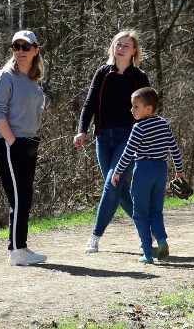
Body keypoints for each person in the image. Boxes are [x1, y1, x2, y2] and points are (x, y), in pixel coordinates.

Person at [73, 30, 150, 253]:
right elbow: (89, 104)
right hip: (103, 138)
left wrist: (144, 135)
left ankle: (95, 236)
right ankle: (147, 229)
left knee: (112, 183)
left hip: (128, 137)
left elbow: (148, 109)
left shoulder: (139, 77)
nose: (121, 48)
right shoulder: (103, 73)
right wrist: (82, 130)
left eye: (126, 45)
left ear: (134, 51)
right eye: (118, 44)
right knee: (119, 190)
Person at [0, 30, 48, 266]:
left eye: (25, 47)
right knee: (18, 196)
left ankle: (20, 247)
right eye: (16, 47)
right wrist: (13, 143)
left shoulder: (34, 80)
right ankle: (16, 250)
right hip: (8, 143)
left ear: (35, 50)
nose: (20, 51)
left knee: (25, 196)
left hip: (28, 142)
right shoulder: (5, 77)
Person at [111, 87, 185, 264]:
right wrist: (179, 170)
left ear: (149, 108)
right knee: (156, 211)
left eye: (136, 106)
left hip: (143, 170)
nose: (132, 110)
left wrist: (117, 171)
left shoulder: (139, 127)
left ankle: (146, 252)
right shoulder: (163, 123)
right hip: (160, 170)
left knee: (140, 213)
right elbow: (173, 148)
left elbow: (128, 152)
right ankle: (161, 240)